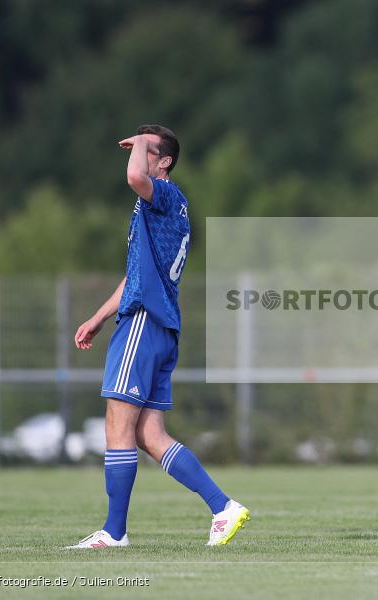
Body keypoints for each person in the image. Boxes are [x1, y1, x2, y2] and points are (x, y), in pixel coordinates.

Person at [66, 124, 249, 549]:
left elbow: (135, 177)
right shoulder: (159, 210)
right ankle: (223, 507)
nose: (137, 156)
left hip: (144, 324)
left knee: (118, 424)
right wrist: (98, 316)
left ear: (163, 161)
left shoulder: (165, 195)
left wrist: (144, 141)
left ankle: (114, 532)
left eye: (147, 151)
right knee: (150, 435)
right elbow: (136, 275)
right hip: (158, 324)